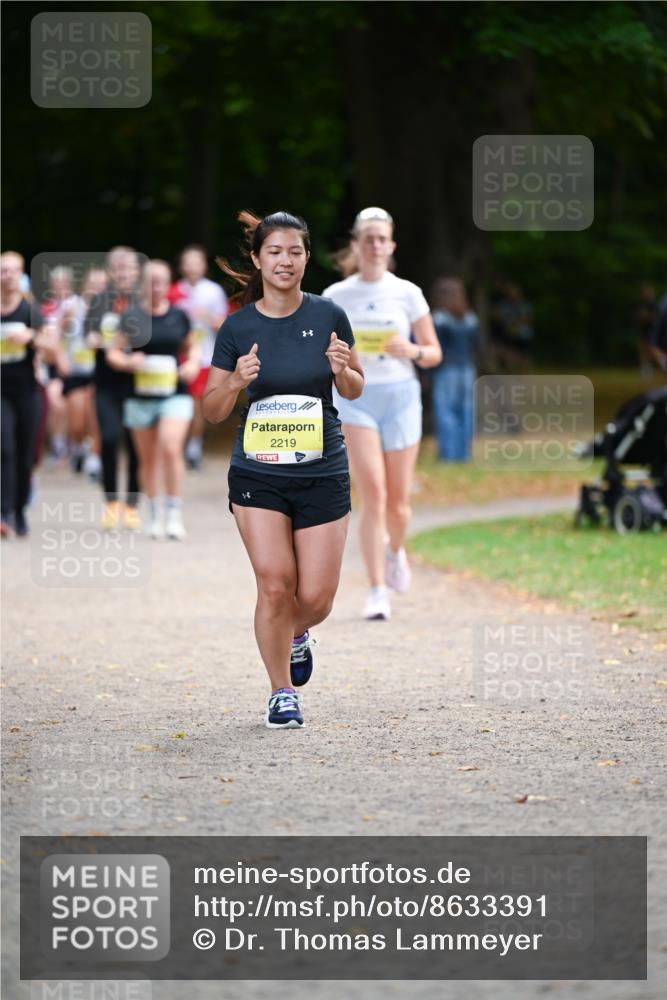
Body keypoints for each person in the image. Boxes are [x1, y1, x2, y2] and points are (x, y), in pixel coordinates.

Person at [203, 211, 363, 729]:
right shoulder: (238, 326)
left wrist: (343, 370)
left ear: (306, 258)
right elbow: (211, 409)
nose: (285, 261)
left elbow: (357, 386)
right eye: (274, 251)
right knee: (275, 584)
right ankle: (281, 692)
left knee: (313, 598)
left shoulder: (331, 314)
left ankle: (295, 633)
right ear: (257, 259)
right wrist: (234, 382)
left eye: (295, 251)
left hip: (322, 468)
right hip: (258, 472)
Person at [322, 207, 441, 621]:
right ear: (355, 244)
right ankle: (376, 590)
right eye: (367, 238)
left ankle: (396, 551)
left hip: (402, 397)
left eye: (381, 239)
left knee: (398, 503)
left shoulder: (407, 292)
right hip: (357, 399)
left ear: (391, 246)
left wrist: (413, 350)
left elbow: (434, 351)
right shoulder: (337, 296)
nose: (374, 245)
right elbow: (326, 350)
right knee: (372, 494)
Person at [107, 260, 200, 540]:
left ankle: (174, 513)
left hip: (174, 393)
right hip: (139, 396)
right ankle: (155, 513)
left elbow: (192, 345)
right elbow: (113, 353)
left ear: (168, 283)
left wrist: (192, 364)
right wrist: (127, 361)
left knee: (171, 447)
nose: (156, 287)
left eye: (161, 281)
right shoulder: (131, 315)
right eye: (151, 281)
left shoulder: (179, 315)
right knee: (147, 459)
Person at [84, 247, 141, 530]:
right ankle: (110, 503)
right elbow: (88, 336)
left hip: (137, 385)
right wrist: (94, 339)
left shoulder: (144, 301)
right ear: (110, 271)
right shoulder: (99, 301)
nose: (123, 273)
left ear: (136, 271)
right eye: (117, 268)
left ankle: (131, 505)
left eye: (127, 267)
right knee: (107, 439)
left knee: (135, 445)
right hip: (106, 383)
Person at [169, 245, 228, 469]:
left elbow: (224, 325)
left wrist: (209, 317)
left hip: (205, 356)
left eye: (197, 261)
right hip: (177, 357)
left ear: (204, 265)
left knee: (196, 404)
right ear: (182, 266)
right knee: (179, 403)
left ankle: (193, 446)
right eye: (188, 261)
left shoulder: (213, 291)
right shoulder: (173, 291)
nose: (193, 266)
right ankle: (177, 444)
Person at [1, 251, 44, 537]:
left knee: (25, 452)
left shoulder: (31, 311)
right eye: (4, 271)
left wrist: (32, 337)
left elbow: (53, 346)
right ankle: (3, 512)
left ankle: (19, 511)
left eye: (14, 271)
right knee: (4, 446)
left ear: (21, 275)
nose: (8, 276)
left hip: (27, 389)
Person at [56, 267, 107, 478]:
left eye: (101, 285)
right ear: (85, 285)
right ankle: (78, 445)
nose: (97, 288)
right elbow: (58, 337)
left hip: (101, 370)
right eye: (93, 284)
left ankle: (94, 459)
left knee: (96, 416)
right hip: (76, 370)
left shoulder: (110, 309)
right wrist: (61, 359)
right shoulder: (72, 307)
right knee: (77, 421)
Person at [430, 277, 479, 462]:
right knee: (466, 411)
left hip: (447, 370)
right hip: (467, 368)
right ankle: (464, 453)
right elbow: (477, 344)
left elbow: (437, 347)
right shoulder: (470, 317)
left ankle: (449, 454)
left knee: (446, 411)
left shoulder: (439, 318)